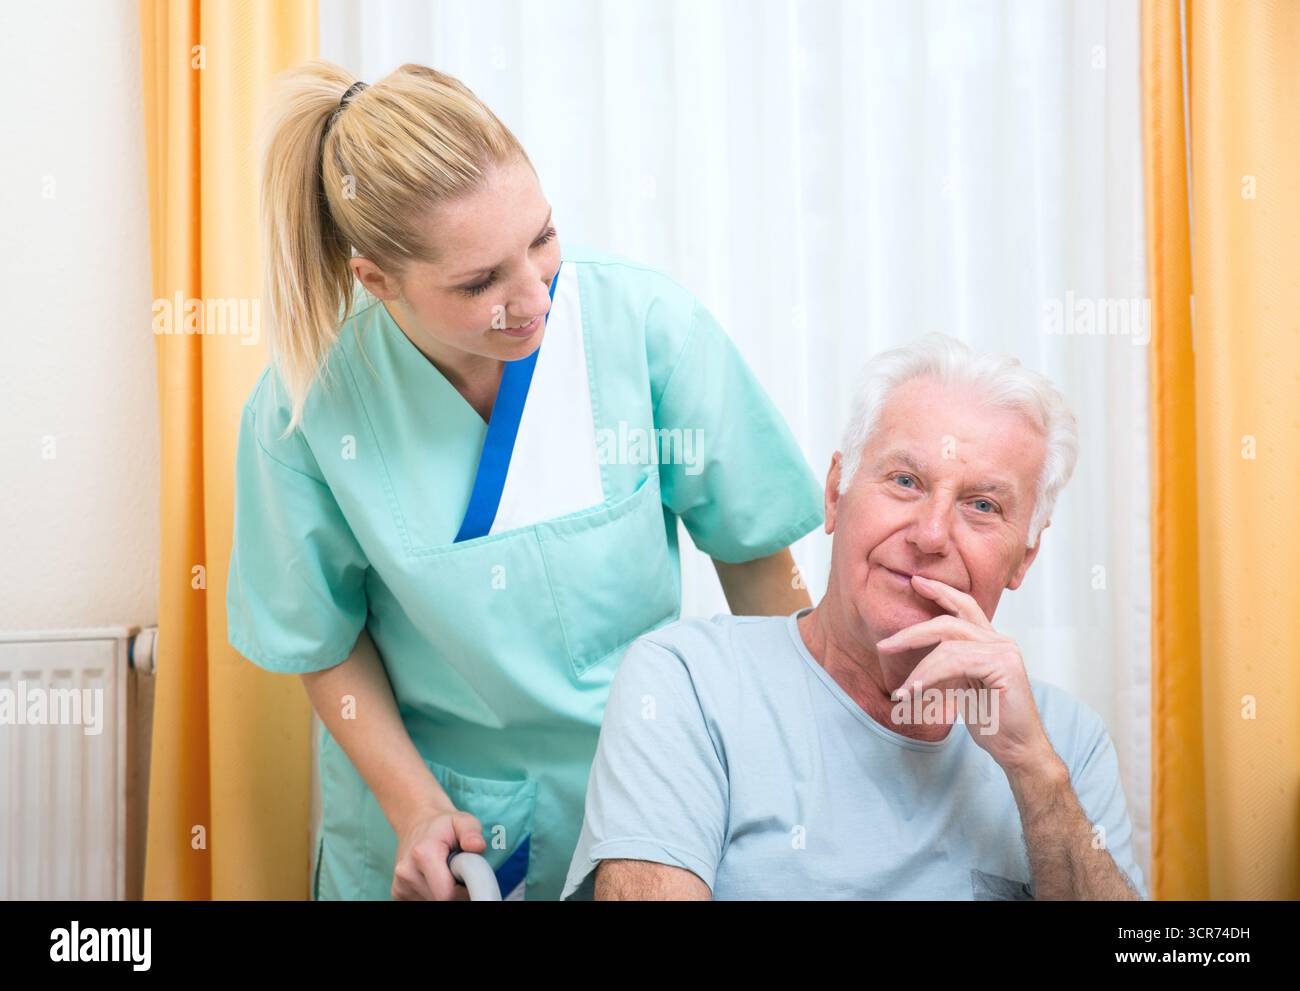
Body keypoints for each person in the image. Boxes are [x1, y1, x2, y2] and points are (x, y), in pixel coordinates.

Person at [226, 61, 823, 901]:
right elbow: (322, 640)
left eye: (542, 239)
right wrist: (416, 809)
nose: (535, 299)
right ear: (376, 279)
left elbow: (758, 556)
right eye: (479, 283)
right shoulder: (306, 411)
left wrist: (808, 752)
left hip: (658, 795)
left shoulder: (642, 327)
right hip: (438, 826)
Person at [563, 333, 1147, 900]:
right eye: (904, 481)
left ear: (1024, 556)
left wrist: (1034, 772)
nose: (931, 535)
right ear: (835, 493)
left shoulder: (1064, 744)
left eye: (982, 505)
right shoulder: (687, 683)